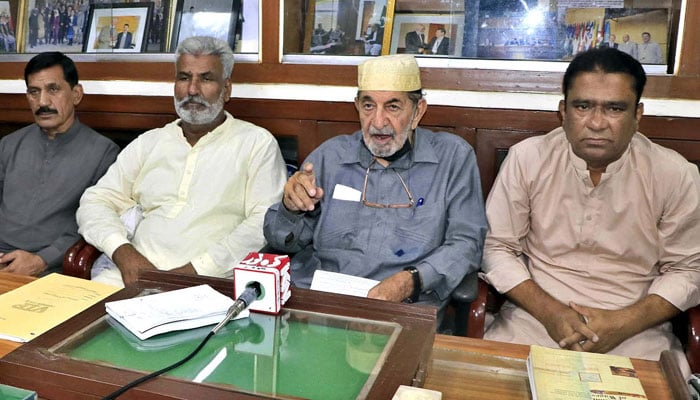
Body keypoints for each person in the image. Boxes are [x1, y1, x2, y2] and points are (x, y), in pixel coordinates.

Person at [481, 47, 700, 376]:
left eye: (614, 108)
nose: (597, 123)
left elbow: (688, 270)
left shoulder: (674, 174)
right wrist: (551, 313)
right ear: (563, 111)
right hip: (532, 322)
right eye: (583, 106)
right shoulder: (527, 159)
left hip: (636, 334)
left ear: (637, 114)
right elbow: (496, 247)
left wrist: (624, 323)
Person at [263, 54, 487, 320]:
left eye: (393, 107)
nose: (378, 122)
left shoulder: (453, 158)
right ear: (357, 107)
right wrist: (291, 210)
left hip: (404, 310)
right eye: (369, 106)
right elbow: (281, 242)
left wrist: (410, 281)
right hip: (323, 306)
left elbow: (467, 244)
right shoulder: (329, 157)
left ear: (418, 112)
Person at [77, 36, 287, 288]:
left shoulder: (256, 144)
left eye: (206, 78)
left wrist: (195, 271)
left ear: (227, 89)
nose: (192, 90)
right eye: (184, 77)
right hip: (128, 276)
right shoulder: (150, 142)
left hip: (209, 283)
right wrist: (124, 254)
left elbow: (261, 224)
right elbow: (95, 200)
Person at [0, 52, 119, 276]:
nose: (43, 102)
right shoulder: (9, 144)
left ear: (76, 94)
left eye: (53, 90)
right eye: (34, 92)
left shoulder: (103, 153)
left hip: (49, 268)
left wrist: (41, 260)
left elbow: (94, 221)